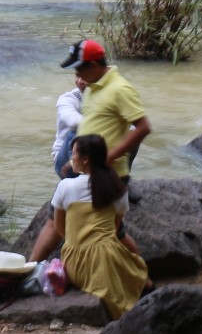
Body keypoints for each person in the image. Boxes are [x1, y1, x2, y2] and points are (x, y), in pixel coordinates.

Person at [27, 133, 153, 320]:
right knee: (136, 271)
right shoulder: (118, 189)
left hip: (74, 261)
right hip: (108, 253)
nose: (71, 158)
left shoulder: (65, 186)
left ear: (85, 159)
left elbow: (60, 228)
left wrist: (76, 241)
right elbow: (114, 229)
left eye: (74, 154)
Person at [60, 39, 150, 181]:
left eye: (79, 71)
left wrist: (110, 157)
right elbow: (91, 126)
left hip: (108, 174)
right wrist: (72, 162)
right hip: (88, 171)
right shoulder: (91, 87)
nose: (79, 78)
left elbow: (143, 128)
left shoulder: (120, 89)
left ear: (93, 66)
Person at [52, 78, 85, 179]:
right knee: (76, 133)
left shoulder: (107, 95)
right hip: (64, 159)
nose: (80, 81)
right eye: (78, 75)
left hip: (94, 152)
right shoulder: (68, 98)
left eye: (84, 76)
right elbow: (73, 121)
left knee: (131, 132)